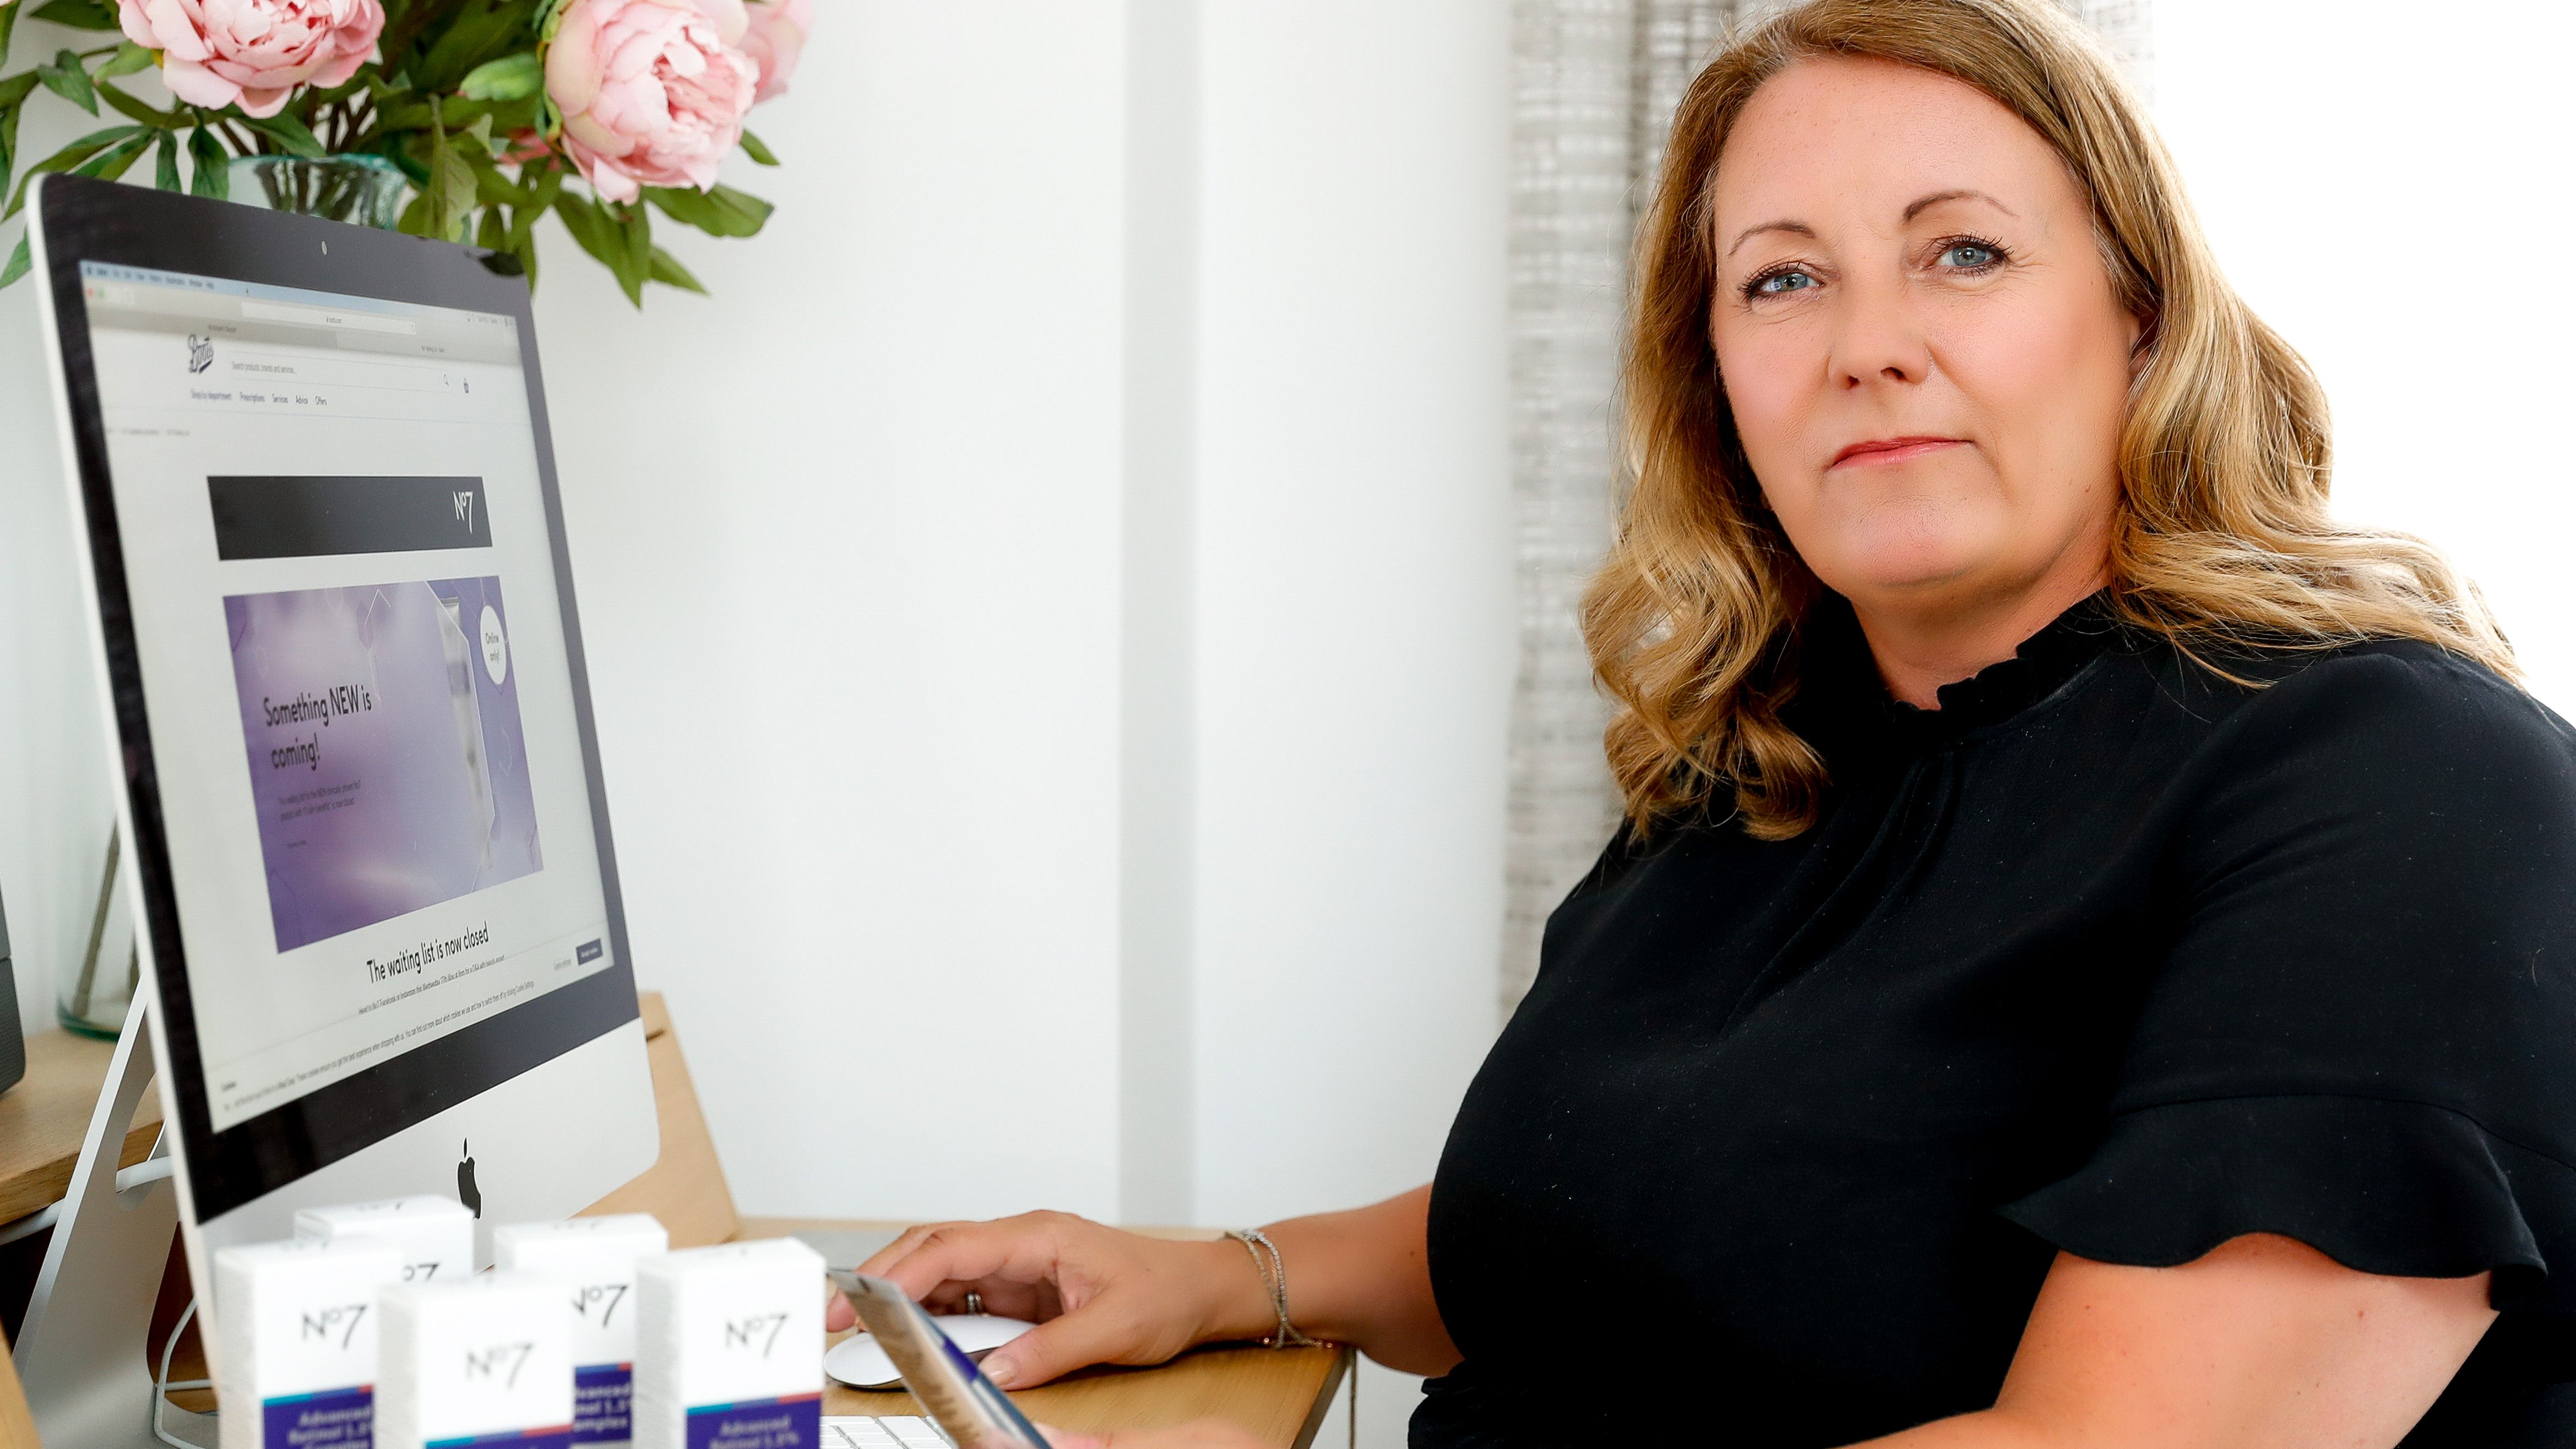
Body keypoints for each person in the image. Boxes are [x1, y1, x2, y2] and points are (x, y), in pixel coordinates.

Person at [841, 1, 2576, 1443]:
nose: (1867, 346)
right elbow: (1612, 1228)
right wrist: (1228, 1273)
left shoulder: (2404, 785)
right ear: (1717, 380)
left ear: (2138, 318)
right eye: (1782, 280)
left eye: (1961, 253)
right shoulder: (1761, 761)